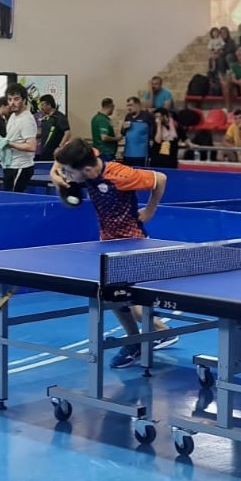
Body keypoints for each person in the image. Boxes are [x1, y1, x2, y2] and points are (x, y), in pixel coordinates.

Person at [48, 139, 176, 369]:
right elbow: (59, 160)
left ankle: (160, 333)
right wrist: (57, 178)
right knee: (111, 297)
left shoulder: (121, 175)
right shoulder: (85, 158)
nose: (67, 175)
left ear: (88, 170)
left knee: (134, 307)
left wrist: (149, 210)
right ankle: (137, 340)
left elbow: (161, 179)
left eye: (69, 172)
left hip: (132, 244)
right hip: (108, 245)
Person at [0, 83, 38, 192]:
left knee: (13, 197)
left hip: (21, 167)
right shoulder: (13, 116)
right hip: (10, 165)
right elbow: (11, 138)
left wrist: (8, 143)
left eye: (16, 99)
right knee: (8, 197)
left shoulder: (26, 120)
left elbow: (31, 146)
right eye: (10, 99)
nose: (12, 103)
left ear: (24, 100)